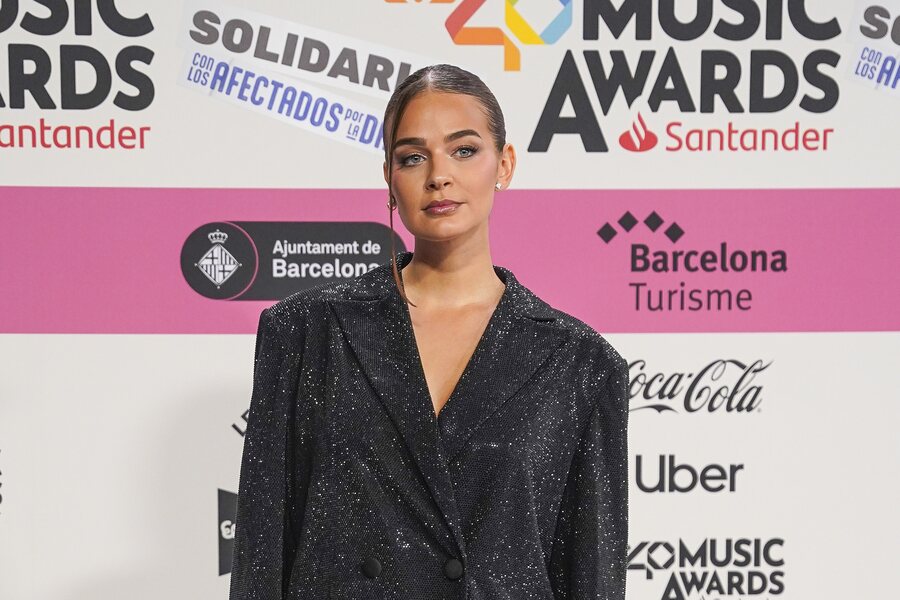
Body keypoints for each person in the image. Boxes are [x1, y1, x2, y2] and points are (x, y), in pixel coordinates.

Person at [229, 64, 630, 600]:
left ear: (504, 165)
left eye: (464, 150)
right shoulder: (305, 333)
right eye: (413, 157)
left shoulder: (580, 364)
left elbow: (592, 579)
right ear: (389, 177)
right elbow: (260, 559)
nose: (439, 175)